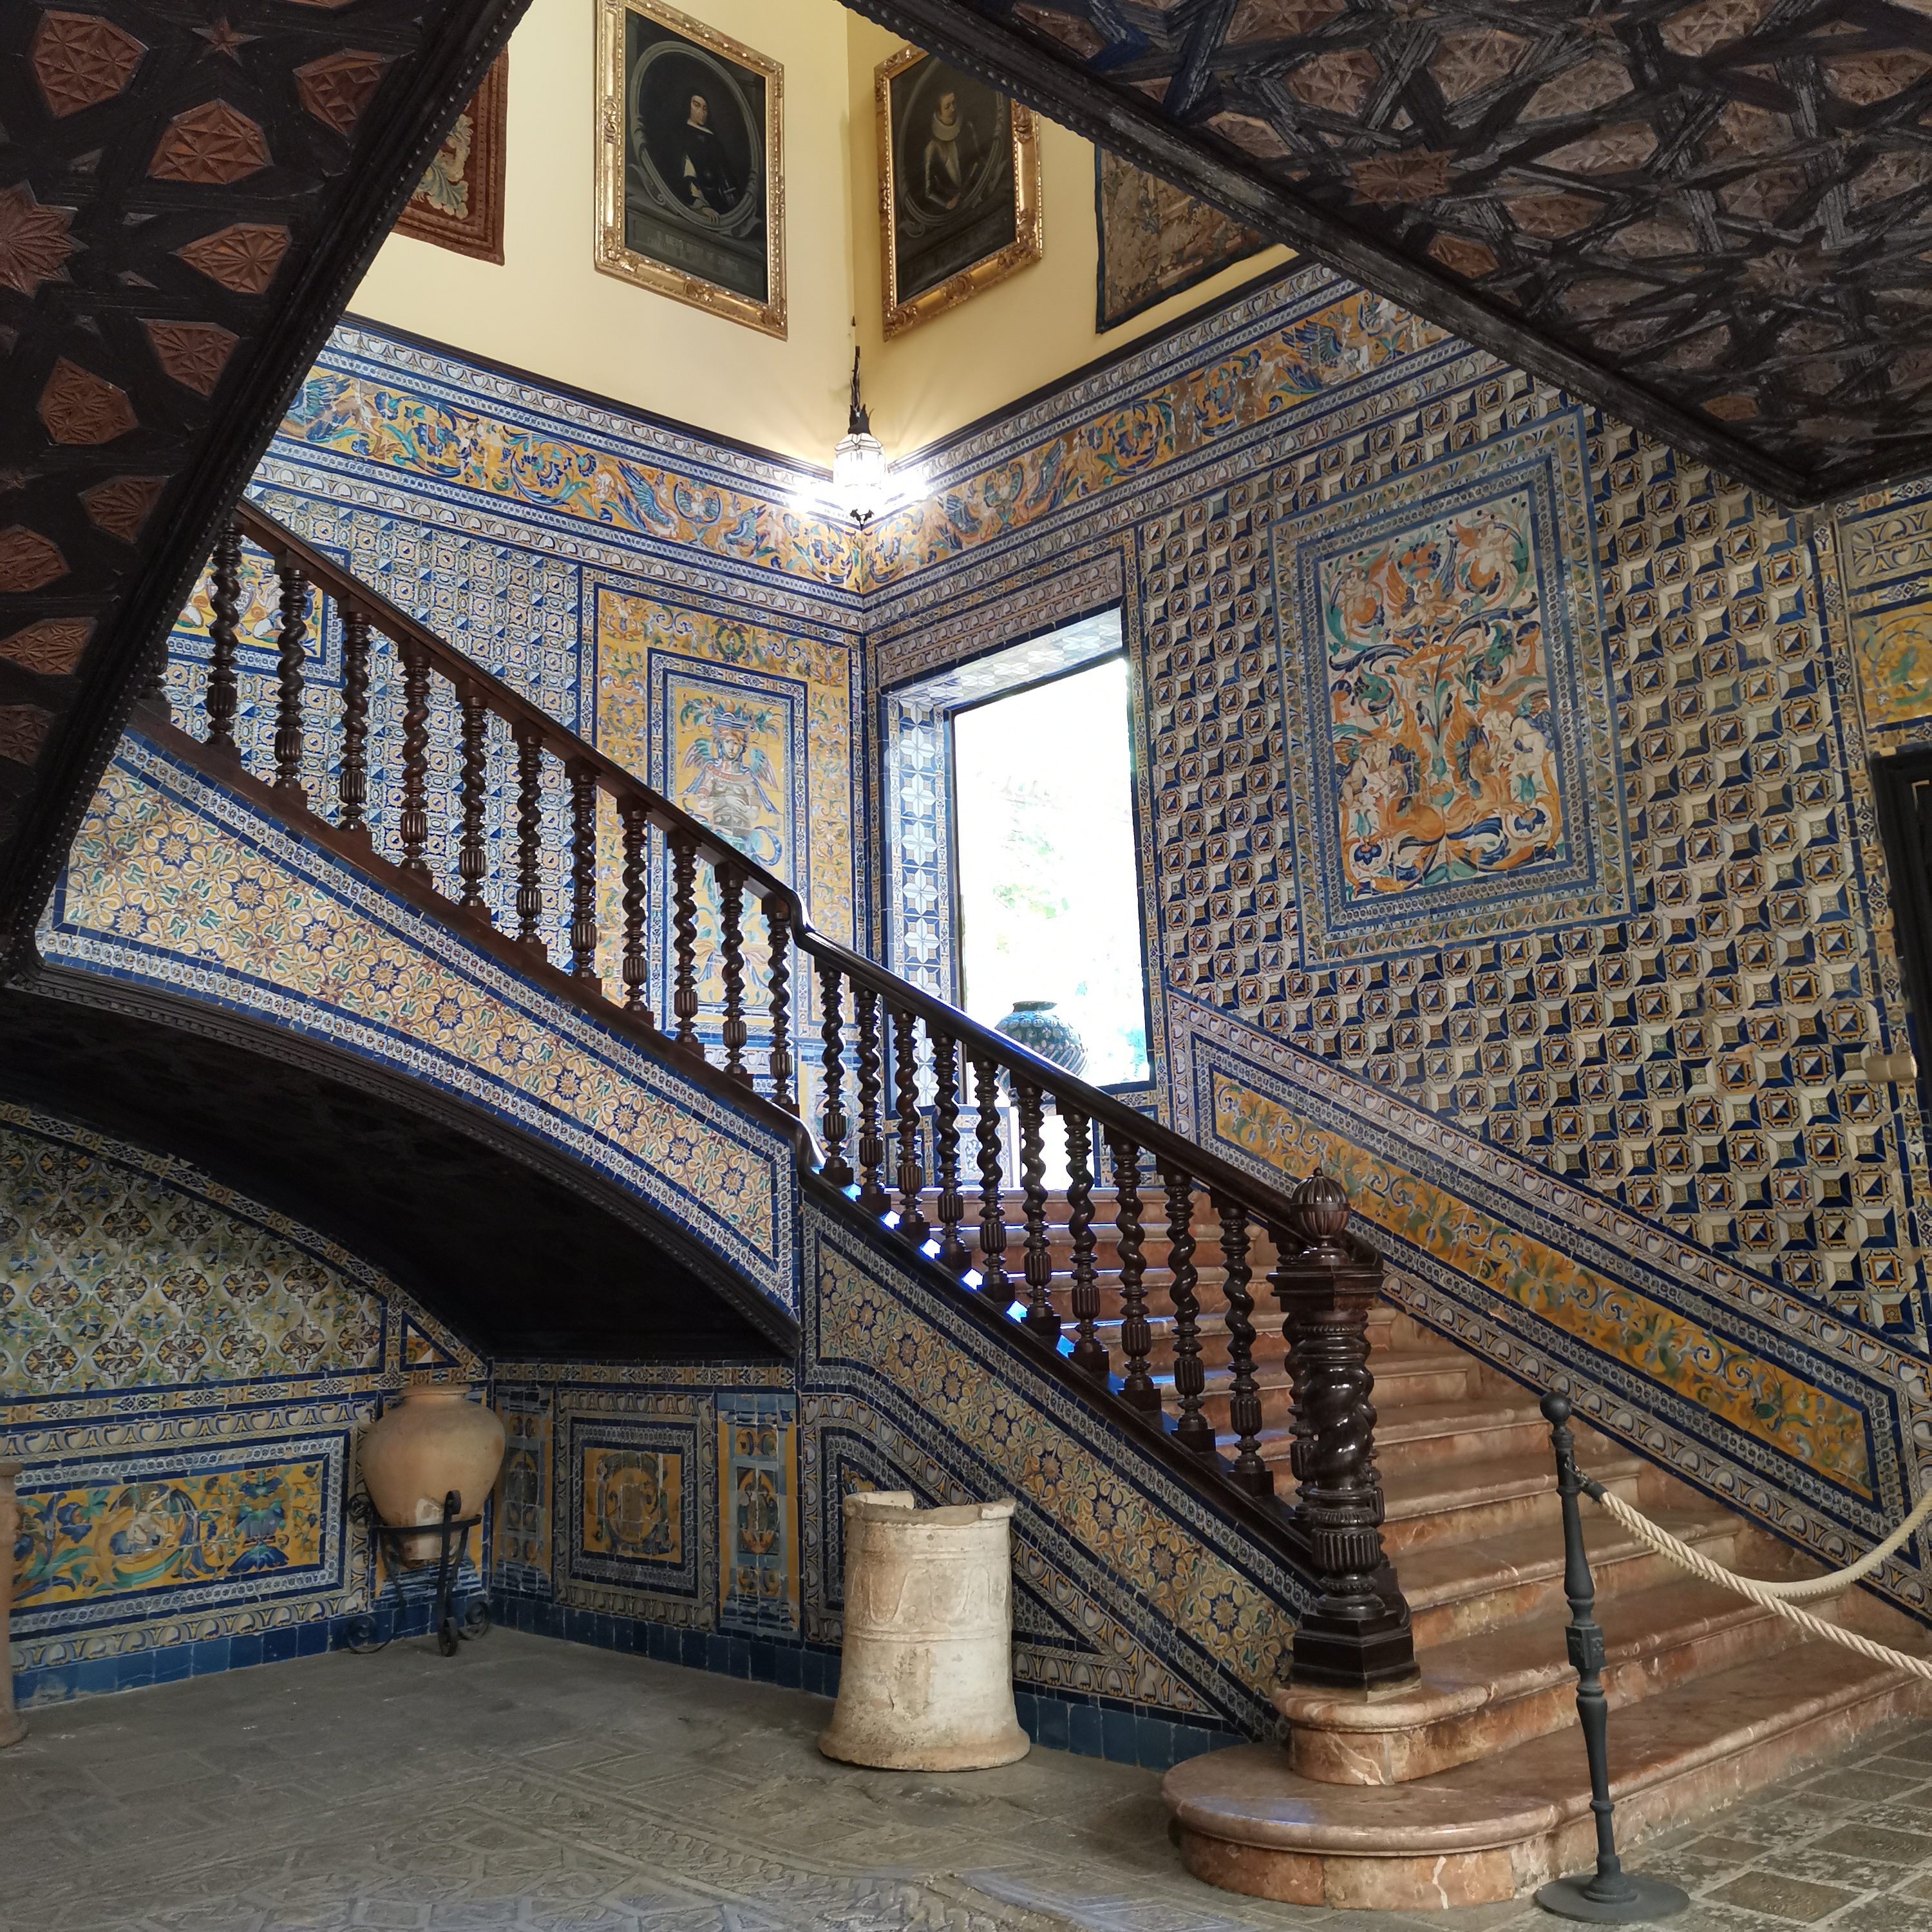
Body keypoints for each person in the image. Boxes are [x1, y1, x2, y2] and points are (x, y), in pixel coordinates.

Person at [677, 90, 738, 220]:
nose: (702, 113)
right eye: (697, 106)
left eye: (705, 108)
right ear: (688, 106)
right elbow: (688, 173)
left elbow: (724, 171)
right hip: (699, 199)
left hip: (720, 199)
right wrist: (700, 204)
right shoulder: (682, 134)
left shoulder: (712, 137)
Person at [920, 87, 982, 211]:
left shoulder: (967, 128)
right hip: (955, 206)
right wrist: (947, 203)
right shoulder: (933, 148)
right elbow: (929, 191)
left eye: (954, 103)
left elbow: (979, 159)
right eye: (947, 107)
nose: (953, 109)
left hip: (977, 192)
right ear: (939, 113)